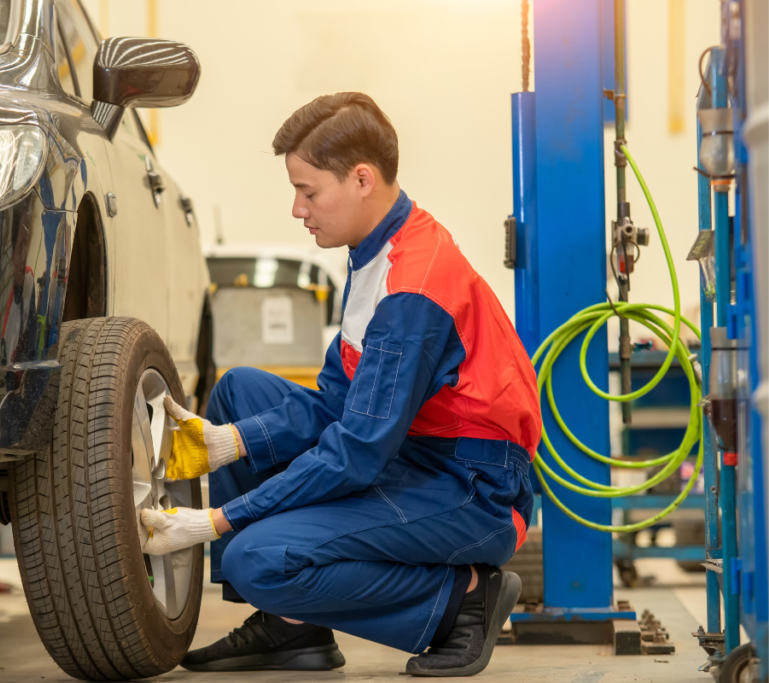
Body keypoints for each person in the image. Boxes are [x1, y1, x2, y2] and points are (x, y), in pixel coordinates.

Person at [141, 92, 542, 677]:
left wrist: (216, 522)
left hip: (469, 488)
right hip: (413, 451)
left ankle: (463, 600)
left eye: (308, 192)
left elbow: (355, 451)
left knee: (259, 559)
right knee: (239, 395)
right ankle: (291, 628)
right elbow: (335, 400)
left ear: (361, 179)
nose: (298, 209)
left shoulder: (412, 289)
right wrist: (227, 442)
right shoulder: (371, 250)